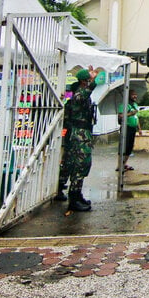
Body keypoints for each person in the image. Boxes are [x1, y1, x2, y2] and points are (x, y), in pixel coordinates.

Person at [57, 66, 98, 212]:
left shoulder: (80, 93)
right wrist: (93, 81)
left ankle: (77, 194)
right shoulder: (79, 94)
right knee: (80, 164)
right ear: (83, 81)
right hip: (79, 134)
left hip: (83, 132)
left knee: (82, 164)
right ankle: (73, 198)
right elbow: (85, 93)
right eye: (88, 79)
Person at [117, 89, 140, 172]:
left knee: (129, 148)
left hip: (133, 129)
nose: (135, 96)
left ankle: (124, 164)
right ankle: (119, 165)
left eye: (135, 94)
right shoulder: (124, 105)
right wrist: (130, 114)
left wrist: (139, 129)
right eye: (133, 94)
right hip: (126, 128)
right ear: (129, 95)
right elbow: (120, 116)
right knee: (123, 147)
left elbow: (137, 118)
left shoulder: (135, 105)